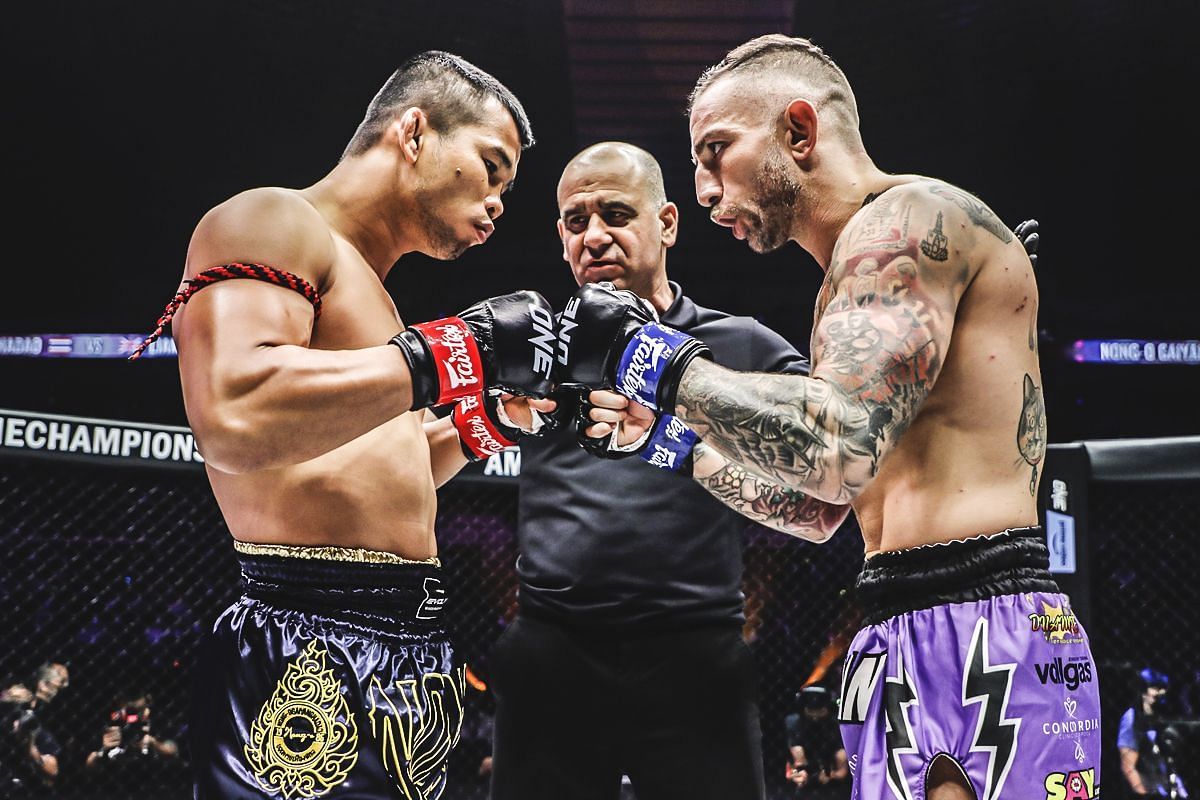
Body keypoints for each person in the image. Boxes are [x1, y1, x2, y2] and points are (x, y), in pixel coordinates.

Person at [556, 33, 1099, 799]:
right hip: (903, 615)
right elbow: (818, 506)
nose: (707, 190)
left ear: (799, 132)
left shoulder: (905, 222)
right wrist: (666, 443)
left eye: (716, 151)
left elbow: (833, 441)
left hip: (982, 619)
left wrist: (651, 359)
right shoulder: (851, 275)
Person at [133, 50, 560, 799]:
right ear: (415, 131)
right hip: (304, 644)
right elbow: (236, 415)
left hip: (410, 656)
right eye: (491, 166)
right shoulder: (271, 218)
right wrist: (454, 350)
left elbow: (373, 466)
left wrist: (485, 419)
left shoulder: (376, 296)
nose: (499, 200)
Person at [488, 141, 810, 800]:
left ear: (666, 223)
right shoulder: (533, 348)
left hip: (695, 651)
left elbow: (829, 425)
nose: (595, 236)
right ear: (559, 238)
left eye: (614, 213)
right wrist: (491, 405)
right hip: (554, 649)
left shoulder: (736, 342)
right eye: (576, 222)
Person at [85, 691, 182, 799]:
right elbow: (89, 767)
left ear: (147, 699)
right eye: (124, 698)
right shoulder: (108, 721)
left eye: (134, 696)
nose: (129, 702)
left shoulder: (158, 718)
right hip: (113, 790)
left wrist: (152, 742)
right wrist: (103, 749)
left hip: (152, 788)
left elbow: (173, 751)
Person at [0, 662, 69, 797]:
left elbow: (53, 771)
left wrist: (31, 749)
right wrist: (4, 697)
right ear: (42, 682)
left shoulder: (46, 719)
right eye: (58, 682)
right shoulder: (11, 697)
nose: (56, 690)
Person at [1118, 668, 1188, 797]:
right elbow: (1128, 766)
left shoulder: (1163, 716)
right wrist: (1145, 794)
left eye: (1163, 688)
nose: (1161, 692)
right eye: (1155, 688)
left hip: (1168, 786)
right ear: (1143, 690)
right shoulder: (1131, 718)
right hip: (1149, 790)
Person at [784, 686, 849, 799]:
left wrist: (832, 775)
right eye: (811, 711)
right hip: (805, 765)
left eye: (819, 711)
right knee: (798, 755)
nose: (815, 717)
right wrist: (798, 772)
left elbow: (842, 765)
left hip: (832, 771)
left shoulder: (837, 725)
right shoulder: (794, 722)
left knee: (840, 758)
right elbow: (794, 759)